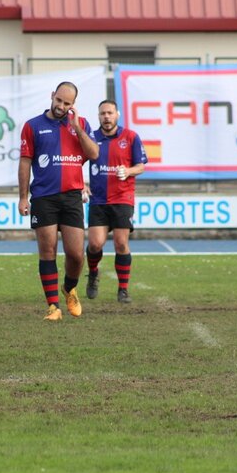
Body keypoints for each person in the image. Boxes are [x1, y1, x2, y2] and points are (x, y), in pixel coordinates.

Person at [18, 81, 99, 321]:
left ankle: (69, 288)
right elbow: (25, 162)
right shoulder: (32, 126)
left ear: (73, 104)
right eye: (59, 100)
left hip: (72, 196)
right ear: (52, 96)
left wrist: (78, 129)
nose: (61, 106)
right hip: (43, 197)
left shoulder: (81, 124)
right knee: (48, 250)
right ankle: (53, 306)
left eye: (67, 103)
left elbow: (94, 154)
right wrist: (23, 197)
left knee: (76, 254)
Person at [84, 100, 148, 303]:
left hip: (122, 198)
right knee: (95, 245)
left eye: (110, 113)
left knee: (121, 243)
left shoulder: (130, 137)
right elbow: (76, 162)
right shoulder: (91, 138)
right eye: (102, 113)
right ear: (98, 116)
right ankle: (93, 273)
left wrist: (128, 171)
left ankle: (123, 289)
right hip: (98, 199)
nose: (106, 117)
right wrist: (81, 184)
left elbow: (141, 166)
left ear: (117, 114)